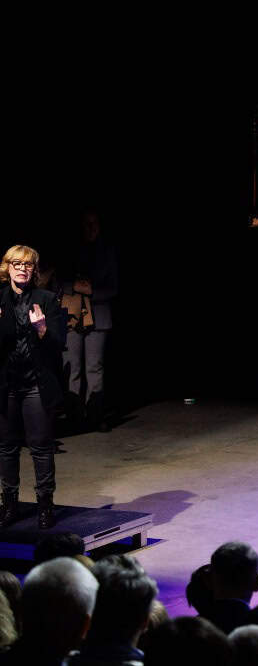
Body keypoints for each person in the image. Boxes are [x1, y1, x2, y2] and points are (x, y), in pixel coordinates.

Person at [1, 244, 69, 529]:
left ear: (34, 269)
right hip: (6, 386)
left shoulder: (48, 300)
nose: (22, 269)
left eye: (27, 265)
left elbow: (58, 345)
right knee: (6, 448)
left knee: (41, 448)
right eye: (16, 264)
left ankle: (44, 505)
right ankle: (10, 505)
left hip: (35, 386)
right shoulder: (0, 301)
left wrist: (41, 328)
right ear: (7, 268)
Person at [70, 210, 119, 432]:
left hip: (98, 315)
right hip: (71, 315)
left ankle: (95, 416)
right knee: (72, 368)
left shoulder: (108, 252)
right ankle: (75, 417)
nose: (90, 228)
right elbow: (56, 280)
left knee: (94, 368)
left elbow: (114, 288)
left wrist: (92, 291)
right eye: (86, 224)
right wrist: (73, 286)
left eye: (94, 223)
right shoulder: (71, 250)